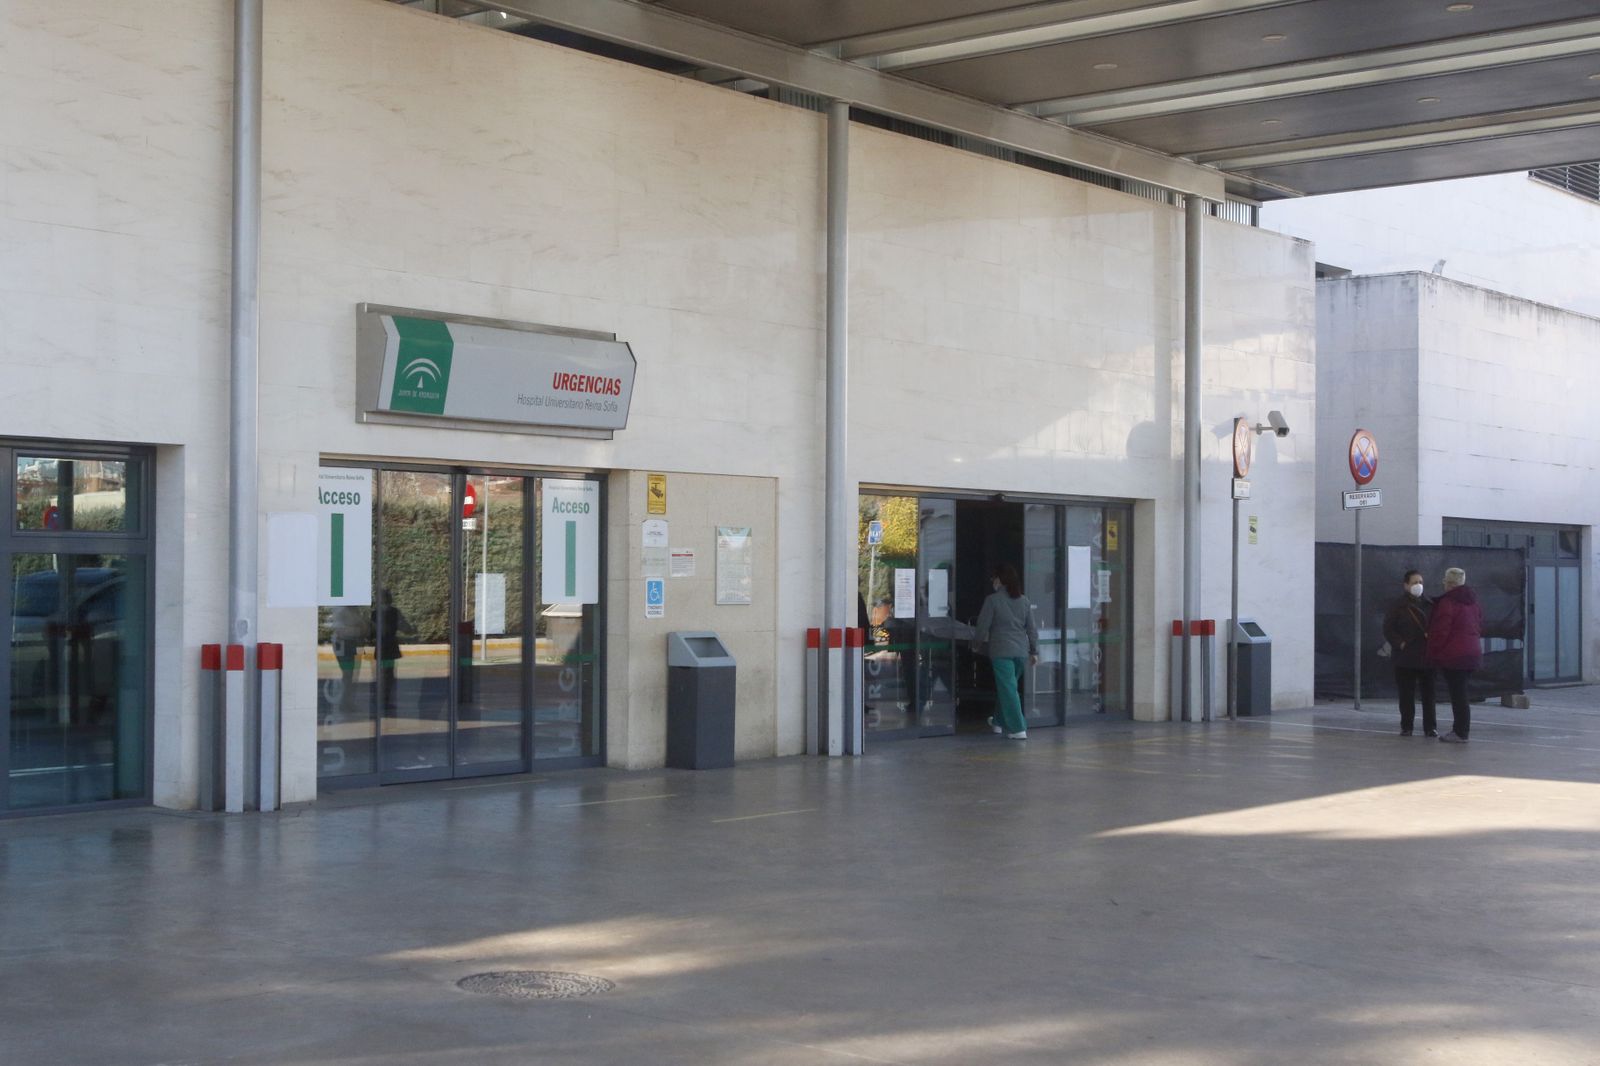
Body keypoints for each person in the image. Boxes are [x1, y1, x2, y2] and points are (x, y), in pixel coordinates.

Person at [974, 563, 1039, 739]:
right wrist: (1034, 651)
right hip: (1021, 652)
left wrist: (976, 644)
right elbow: (1031, 629)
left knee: (1008, 689)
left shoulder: (992, 600)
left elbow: (982, 627)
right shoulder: (1024, 601)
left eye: (993, 578)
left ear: (1000, 580)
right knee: (1008, 687)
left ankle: (1018, 728)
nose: (992, 581)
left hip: (1001, 651)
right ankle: (997, 722)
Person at [1427, 567, 1483, 743]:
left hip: (1454, 655)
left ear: (1449, 583)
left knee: (1458, 694)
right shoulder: (1473, 602)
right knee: (1462, 693)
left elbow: (1441, 630)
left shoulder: (1448, 603)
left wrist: (1433, 651)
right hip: (1472, 652)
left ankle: (1460, 731)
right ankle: (1461, 730)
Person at [1382, 569, 1436, 737]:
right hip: (1405, 658)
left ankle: (1430, 727)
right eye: (1414, 582)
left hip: (1427, 657)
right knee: (1406, 694)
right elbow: (1388, 629)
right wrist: (1401, 644)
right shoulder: (1397, 606)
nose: (1418, 585)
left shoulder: (1430, 604)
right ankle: (1407, 726)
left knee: (1429, 695)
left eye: (1420, 582)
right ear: (1406, 585)